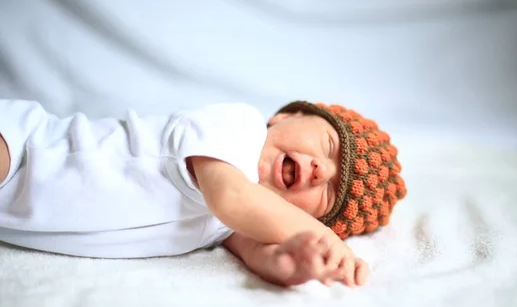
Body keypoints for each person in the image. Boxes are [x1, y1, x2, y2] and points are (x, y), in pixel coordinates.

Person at [0, 100, 406, 287]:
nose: (322, 169)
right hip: (23, 149)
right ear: (287, 116)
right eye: (329, 147)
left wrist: (302, 259)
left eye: (330, 192)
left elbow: (267, 258)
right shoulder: (236, 128)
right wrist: (328, 238)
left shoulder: (225, 228)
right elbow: (234, 199)